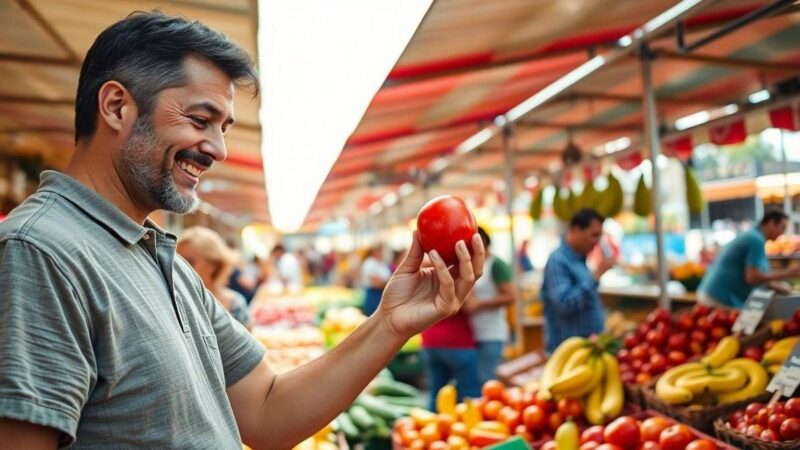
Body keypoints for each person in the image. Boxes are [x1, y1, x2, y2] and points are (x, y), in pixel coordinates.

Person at [0, 11, 486, 449]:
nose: (217, 149)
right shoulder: (40, 253)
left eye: (224, 127)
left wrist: (390, 323)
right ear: (116, 107)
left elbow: (266, 411)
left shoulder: (159, 257)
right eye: (199, 120)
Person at [541, 208, 615, 353]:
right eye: (593, 235)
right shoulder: (558, 261)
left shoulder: (580, 260)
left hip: (586, 350)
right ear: (575, 230)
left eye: (599, 236)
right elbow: (564, 304)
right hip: (568, 353)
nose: (597, 242)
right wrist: (596, 276)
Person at [698, 209, 800, 308]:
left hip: (712, 295)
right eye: (783, 227)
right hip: (718, 298)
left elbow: (750, 274)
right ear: (771, 223)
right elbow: (752, 277)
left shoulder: (752, 236)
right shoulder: (755, 240)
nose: (783, 233)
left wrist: (774, 285)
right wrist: (788, 272)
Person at [465, 227, 516, 383]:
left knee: (486, 379)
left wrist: (479, 304)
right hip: (473, 333)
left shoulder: (495, 265)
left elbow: (510, 296)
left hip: (491, 333)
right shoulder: (472, 265)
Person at [177, 226, 251, 329]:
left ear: (214, 265)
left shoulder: (235, 304)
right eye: (177, 263)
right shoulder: (173, 303)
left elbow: (248, 343)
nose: (179, 268)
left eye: (190, 262)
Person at [421, 306, 482, 411]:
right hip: (458, 343)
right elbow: (471, 305)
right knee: (469, 394)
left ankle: (432, 425)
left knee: (436, 392)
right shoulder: (457, 289)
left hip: (430, 341)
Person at [360, 244, 392, 316]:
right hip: (373, 295)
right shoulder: (370, 263)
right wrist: (389, 282)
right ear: (375, 251)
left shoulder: (381, 263)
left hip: (381, 295)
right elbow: (376, 283)